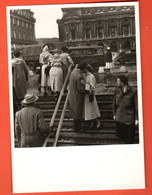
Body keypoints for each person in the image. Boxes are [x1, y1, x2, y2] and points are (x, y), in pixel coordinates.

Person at [113, 75, 138, 144]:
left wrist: (136, 118)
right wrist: (114, 114)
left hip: (129, 118)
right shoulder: (117, 90)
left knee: (129, 138)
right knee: (120, 135)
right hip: (119, 118)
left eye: (118, 81)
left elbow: (136, 105)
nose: (116, 83)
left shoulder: (133, 91)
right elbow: (114, 104)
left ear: (122, 83)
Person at [68, 61, 87, 131]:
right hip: (78, 97)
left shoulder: (73, 73)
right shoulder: (79, 76)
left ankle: (76, 127)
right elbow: (81, 89)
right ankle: (78, 129)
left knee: (75, 113)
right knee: (78, 113)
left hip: (72, 95)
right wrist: (87, 90)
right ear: (84, 68)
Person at [84, 64, 101, 129]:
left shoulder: (91, 76)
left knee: (92, 110)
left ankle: (97, 122)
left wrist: (85, 85)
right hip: (86, 95)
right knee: (88, 111)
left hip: (90, 95)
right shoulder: (85, 76)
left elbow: (92, 87)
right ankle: (91, 122)